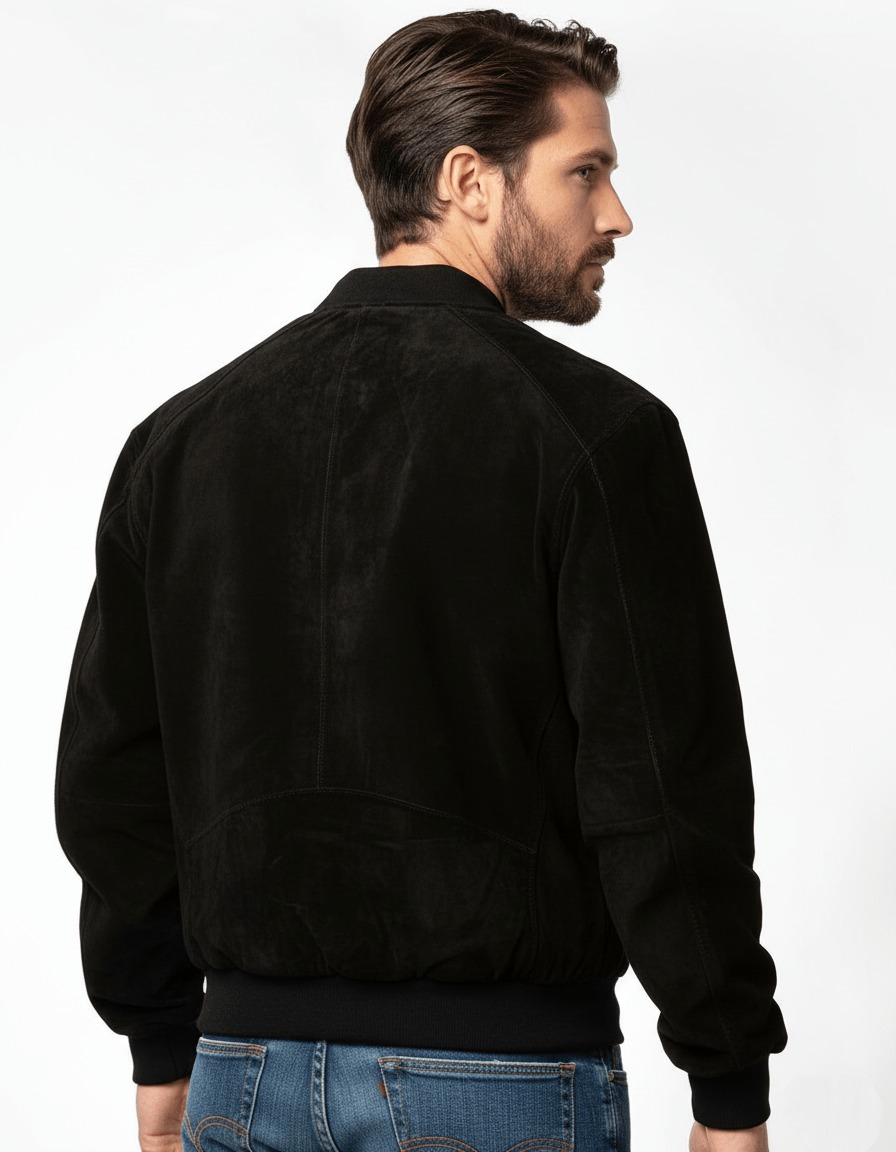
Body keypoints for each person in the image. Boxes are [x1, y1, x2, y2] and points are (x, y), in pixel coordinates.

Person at [55, 10, 787, 1152]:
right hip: (494, 1083)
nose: (616, 214)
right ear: (469, 181)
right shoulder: (596, 433)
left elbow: (114, 780)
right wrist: (726, 1080)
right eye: (585, 170)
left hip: (237, 1079)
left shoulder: (182, 439)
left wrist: (160, 1043)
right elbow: (662, 788)